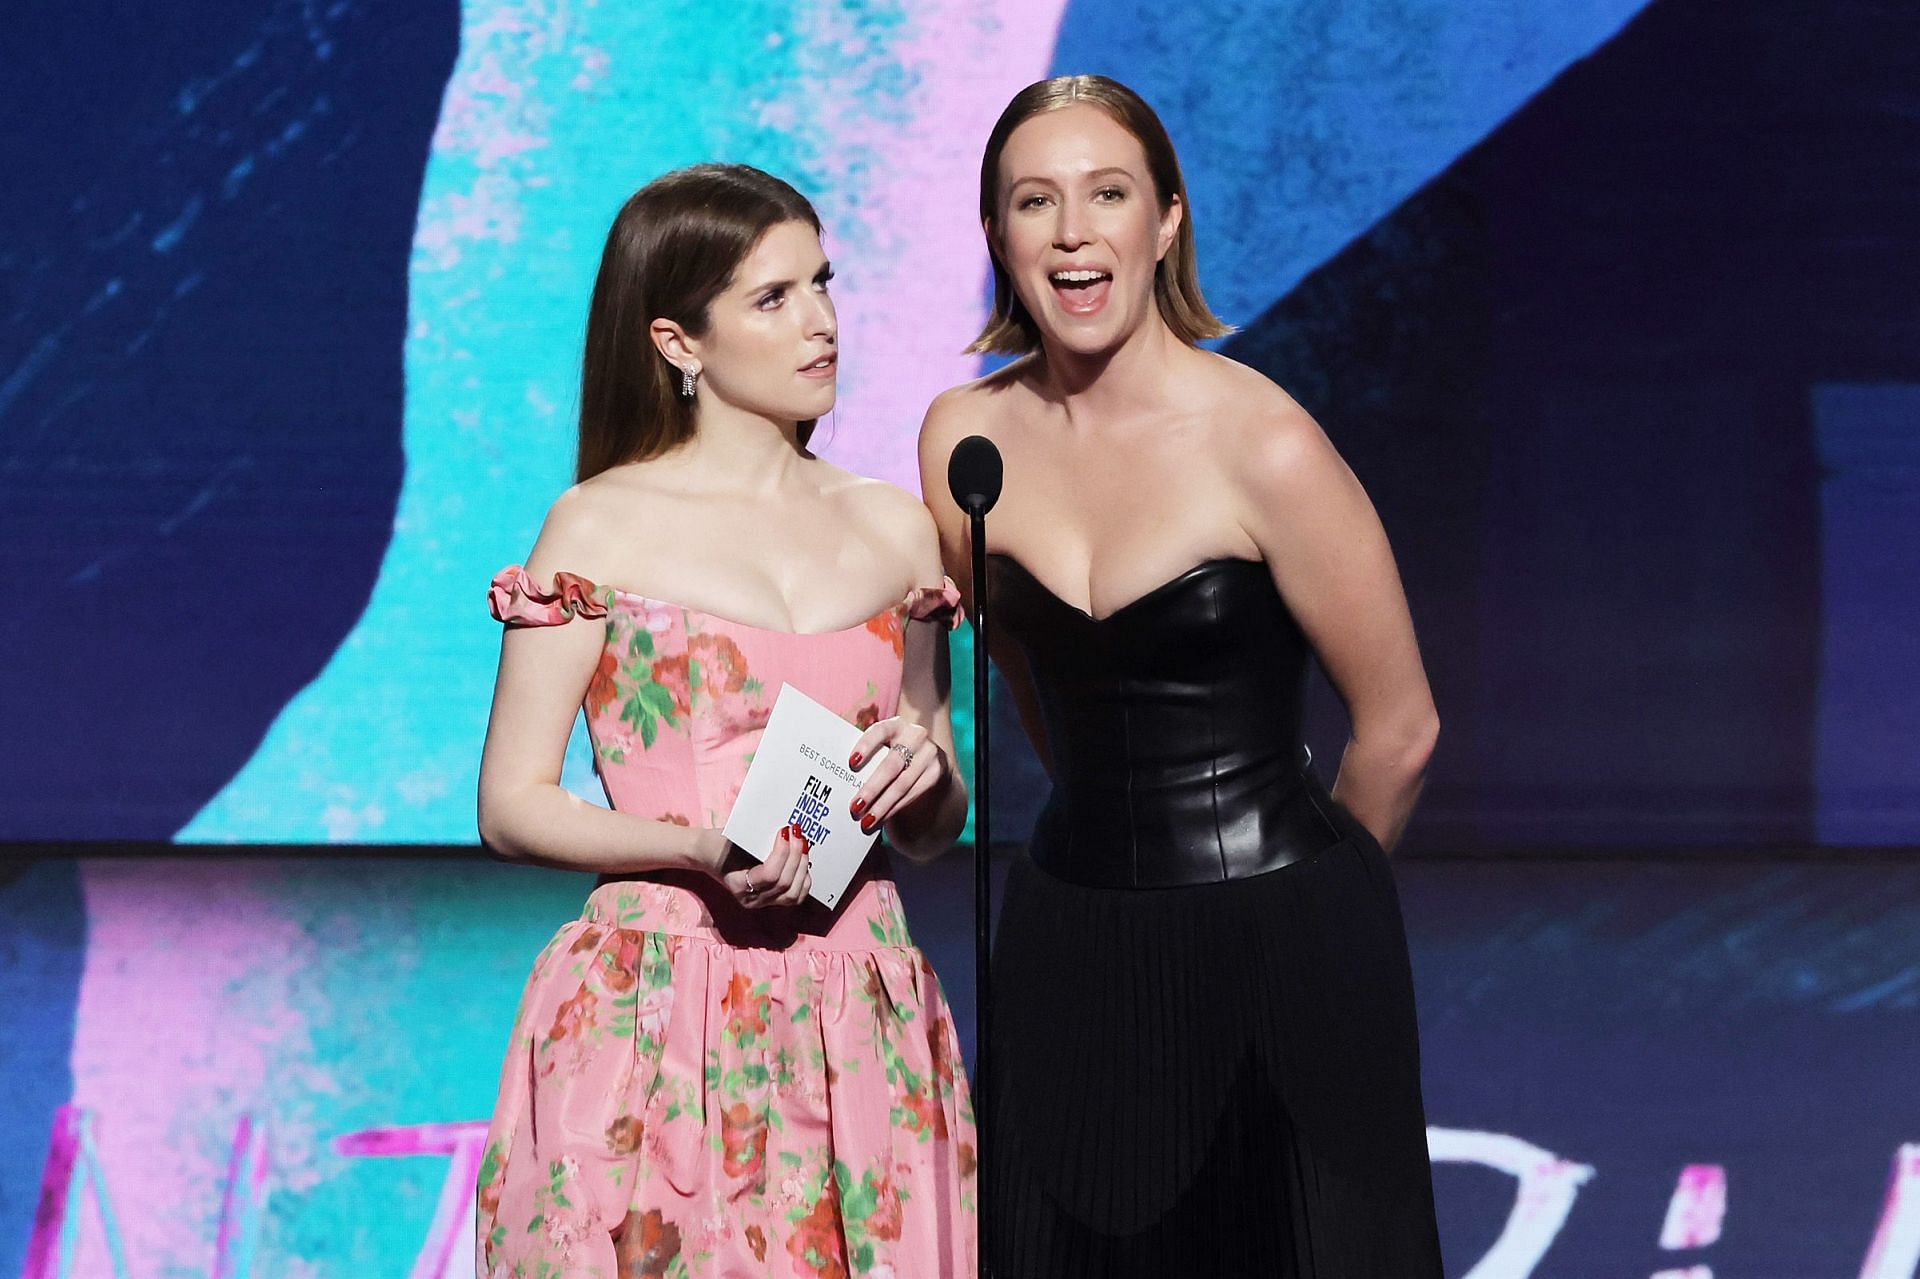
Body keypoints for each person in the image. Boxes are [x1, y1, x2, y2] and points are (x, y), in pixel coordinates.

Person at [919, 76, 1443, 1276]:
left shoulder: (1266, 439)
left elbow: (1400, 730)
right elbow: (1027, 686)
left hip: (1285, 937)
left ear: (1165, 220)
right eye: (1033, 201)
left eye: (1107, 194)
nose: (1072, 232)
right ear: (998, 236)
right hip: (1070, 943)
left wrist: (1311, 927)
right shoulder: (964, 439)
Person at [476, 163, 976, 1278]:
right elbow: (512, 804)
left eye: (824, 284)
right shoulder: (599, 525)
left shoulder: (896, 529)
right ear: (678, 341)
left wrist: (925, 770)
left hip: (858, 1003)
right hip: (656, 1000)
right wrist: (701, 847)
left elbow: (933, 820)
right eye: (774, 299)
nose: (822, 324)